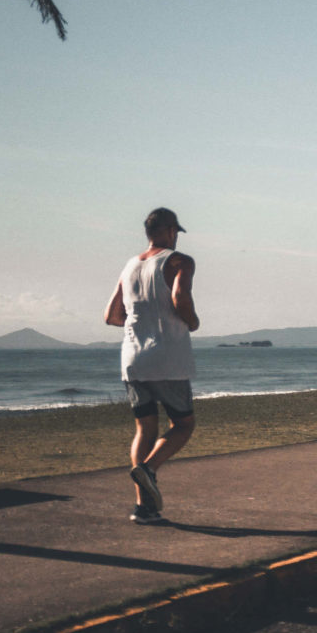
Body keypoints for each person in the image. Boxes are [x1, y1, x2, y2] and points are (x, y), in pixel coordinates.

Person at [104, 207, 200, 524]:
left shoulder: (130, 266)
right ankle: (149, 468)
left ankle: (144, 508)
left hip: (132, 359)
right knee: (183, 425)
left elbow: (112, 316)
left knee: (145, 428)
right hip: (168, 359)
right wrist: (192, 321)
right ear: (171, 230)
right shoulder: (179, 261)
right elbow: (180, 297)